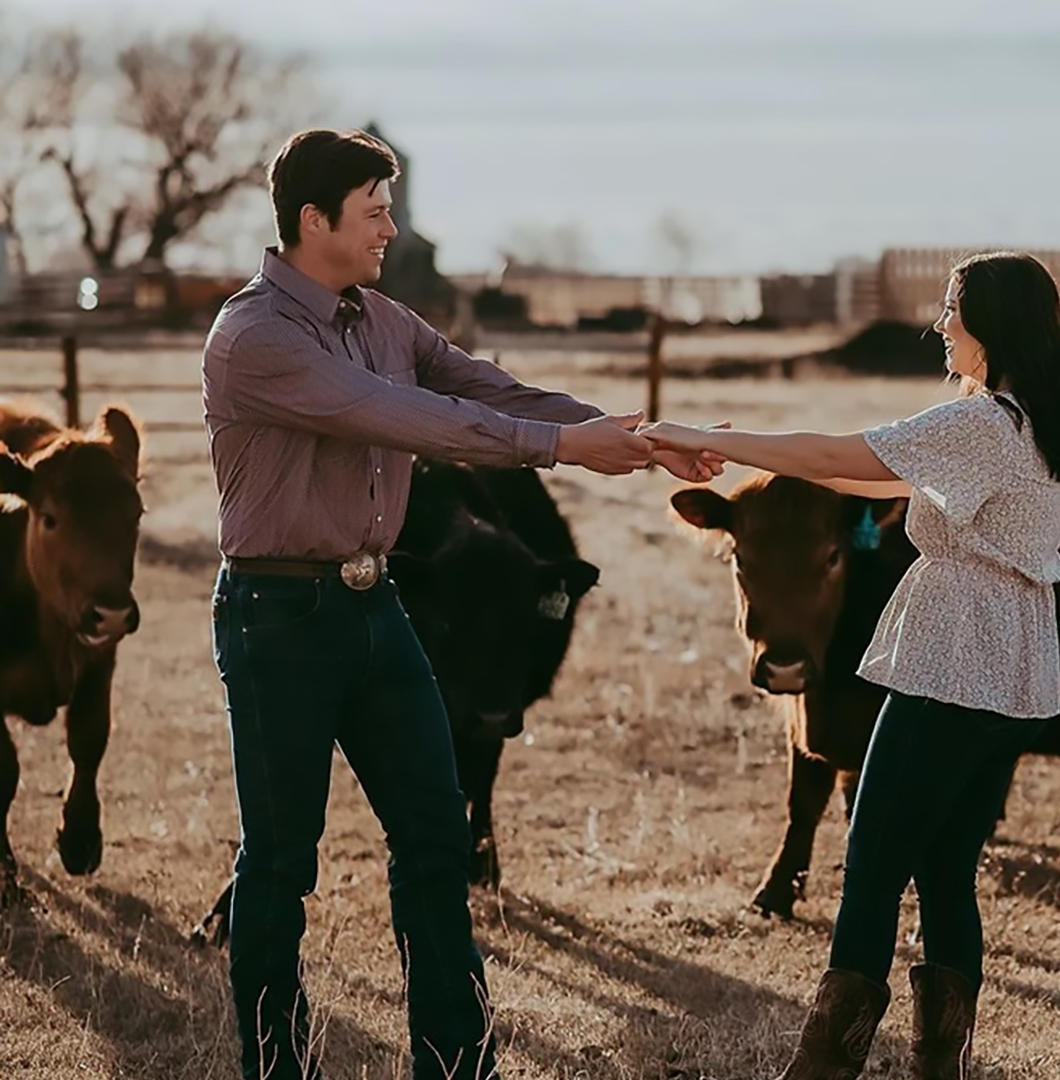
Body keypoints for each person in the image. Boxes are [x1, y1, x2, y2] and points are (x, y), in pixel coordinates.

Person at [200, 127, 720, 1080]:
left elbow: (487, 386)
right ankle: (276, 1066)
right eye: (374, 211)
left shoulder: (383, 319)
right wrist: (564, 452)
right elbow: (410, 418)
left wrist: (640, 438)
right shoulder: (256, 338)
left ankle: (457, 1063)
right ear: (314, 221)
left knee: (438, 835)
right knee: (282, 861)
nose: (391, 228)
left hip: (376, 605)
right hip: (279, 619)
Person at [641, 250, 1060, 1079]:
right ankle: (936, 1068)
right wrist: (763, 460)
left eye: (952, 309)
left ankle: (821, 1071)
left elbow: (836, 452)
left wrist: (708, 440)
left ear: (988, 321)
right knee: (947, 870)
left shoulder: (980, 423)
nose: (940, 325)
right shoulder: (1043, 419)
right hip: (1019, 661)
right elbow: (863, 475)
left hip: (954, 655)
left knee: (872, 863)